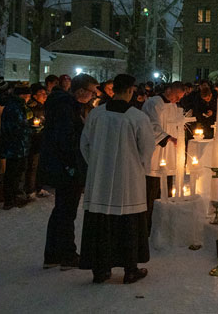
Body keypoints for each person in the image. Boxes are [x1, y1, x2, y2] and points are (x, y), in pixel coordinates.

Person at [79, 74, 153, 284]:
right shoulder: (137, 117)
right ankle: (130, 269)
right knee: (128, 223)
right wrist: (137, 166)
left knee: (102, 223)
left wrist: (96, 164)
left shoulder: (96, 114)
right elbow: (146, 149)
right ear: (130, 91)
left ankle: (100, 269)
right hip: (128, 179)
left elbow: (84, 144)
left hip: (100, 179)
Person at [40, 73, 99, 270]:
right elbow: (66, 138)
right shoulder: (66, 107)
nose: (93, 96)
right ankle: (67, 254)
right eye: (91, 92)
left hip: (62, 164)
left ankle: (53, 254)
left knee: (61, 210)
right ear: (81, 91)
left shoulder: (62, 104)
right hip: (67, 166)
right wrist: (72, 164)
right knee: (67, 211)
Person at [141, 82, 186, 233]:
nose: (178, 100)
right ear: (168, 90)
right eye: (177, 96)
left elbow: (177, 124)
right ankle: (147, 226)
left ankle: (162, 225)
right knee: (151, 192)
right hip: (156, 153)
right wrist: (167, 138)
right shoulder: (153, 103)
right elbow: (150, 126)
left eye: (180, 97)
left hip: (169, 155)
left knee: (166, 191)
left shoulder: (174, 107)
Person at [0, 86, 33, 210]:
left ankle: (13, 197)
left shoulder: (17, 106)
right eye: (28, 95)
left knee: (16, 172)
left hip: (19, 145)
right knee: (12, 173)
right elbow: (15, 126)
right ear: (23, 95)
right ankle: (10, 199)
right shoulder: (14, 107)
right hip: (15, 145)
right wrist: (29, 129)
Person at [24, 83, 48, 198]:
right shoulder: (31, 108)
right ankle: (30, 189)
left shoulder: (45, 107)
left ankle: (39, 187)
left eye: (45, 93)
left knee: (41, 165)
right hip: (34, 140)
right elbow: (29, 122)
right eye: (41, 94)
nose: (44, 96)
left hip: (43, 139)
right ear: (34, 96)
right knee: (32, 165)